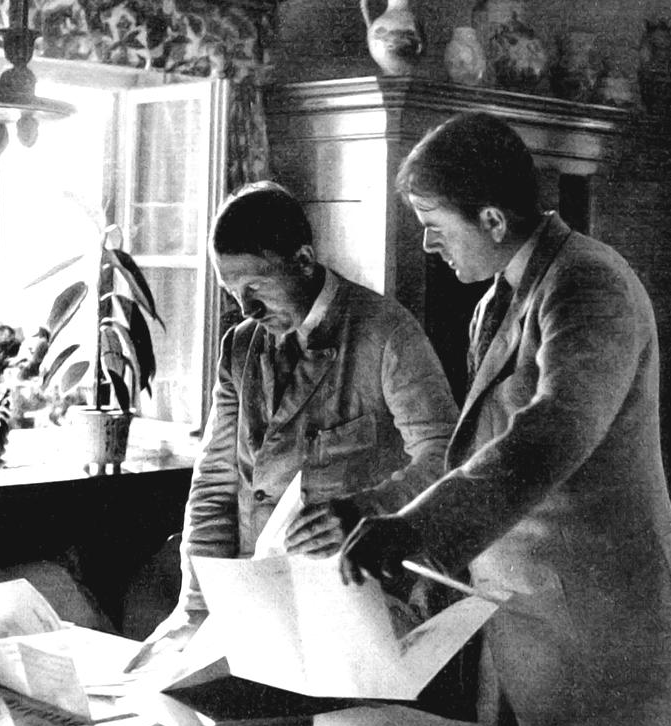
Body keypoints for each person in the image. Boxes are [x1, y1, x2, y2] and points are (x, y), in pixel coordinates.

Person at [337, 112, 671, 726]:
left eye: (433, 223)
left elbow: (548, 438)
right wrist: (424, 561)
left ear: (491, 220)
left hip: (615, 638)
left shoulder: (589, 282)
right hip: (543, 627)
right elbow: (481, 452)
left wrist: (414, 528)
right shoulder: (503, 296)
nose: (427, 243)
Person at [127, 180, 458, 669]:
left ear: (303, 260)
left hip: (359, 608)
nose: (246, 310)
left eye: (255, 288)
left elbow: (446, 456)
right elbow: (215, 484)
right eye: (232, 292)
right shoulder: (240, 347)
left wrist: (368, 509)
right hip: (256, 609)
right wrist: (195, 608)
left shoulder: (386, 333)